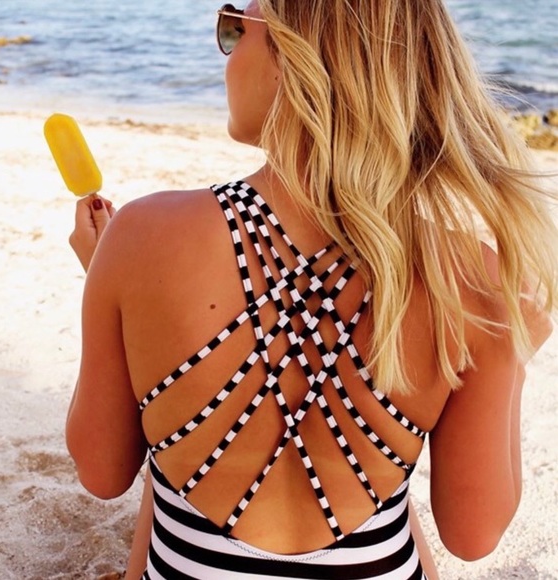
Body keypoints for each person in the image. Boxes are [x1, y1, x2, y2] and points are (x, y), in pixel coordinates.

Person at [65, 1, 558, 579]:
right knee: (383, 485)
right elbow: (473, 535)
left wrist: (111, 284)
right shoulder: (469, 277)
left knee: (173, 451)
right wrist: (510, 352)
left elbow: (102, 473)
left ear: (294, 60)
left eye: (236, 29)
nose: (226, 52)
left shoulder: (141, 235)